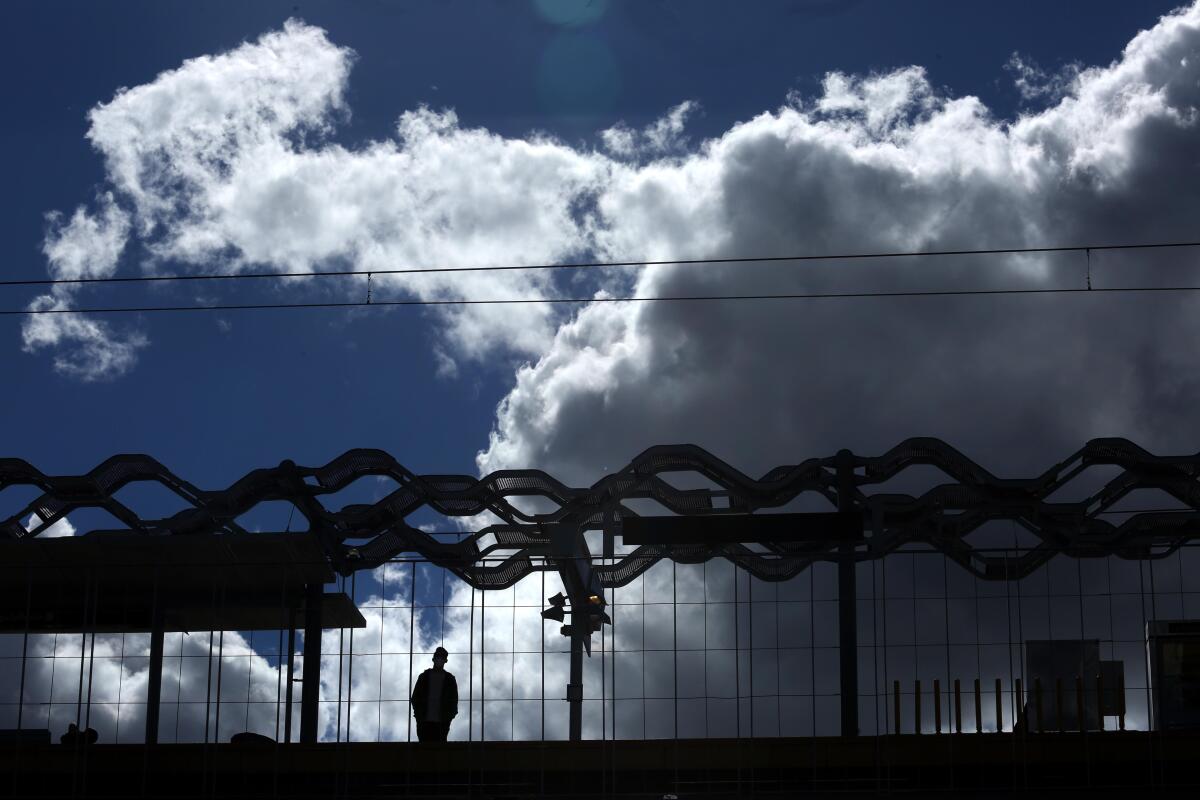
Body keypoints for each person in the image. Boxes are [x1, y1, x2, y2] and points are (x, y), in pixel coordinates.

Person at [410, 646, 458, 742]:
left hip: (442, 723)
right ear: (434, 659)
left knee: (439, 751)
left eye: (442, 658)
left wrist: (449, 717)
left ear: (445, 661)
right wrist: (419, 714)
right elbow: (415, 697)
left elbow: (454, 700)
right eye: (438, 657)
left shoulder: (450, 679)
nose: (439, 660)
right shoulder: (424, 677)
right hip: (424, 721)